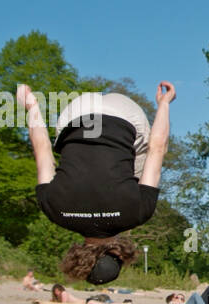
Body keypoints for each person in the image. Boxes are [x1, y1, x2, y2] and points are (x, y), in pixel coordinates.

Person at [25, 80, 174, 287]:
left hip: (124, 112)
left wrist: (164, 103)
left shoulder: (138, 213)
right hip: (75, 113)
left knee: (144, 165)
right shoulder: (54, 212)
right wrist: (32, 105)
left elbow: (156, 147)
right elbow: (41, 147)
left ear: (118, 254)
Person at [50, 283, 133, 304]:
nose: (56, 293)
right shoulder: (60, 296)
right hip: (90, 301)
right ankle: (126, 303)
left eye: (57, 290)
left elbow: (63, 303)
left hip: (90, 301)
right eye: (55, 291)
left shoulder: (64, 293)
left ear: (60, 289)